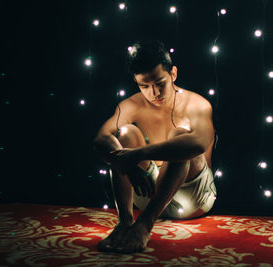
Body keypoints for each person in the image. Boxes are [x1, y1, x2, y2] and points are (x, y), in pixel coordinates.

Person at [92, 39, 217, 254]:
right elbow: (100, 139)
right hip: (148, 190)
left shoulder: (197, 104)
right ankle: (125, 222)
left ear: (173, 74)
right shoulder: (130, 105)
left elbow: (198, 144)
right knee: (126, 134)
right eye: (144, 86)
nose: (154, 92)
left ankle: (145, 225)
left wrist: (135, 155)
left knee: (180, 137)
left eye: (160, 83)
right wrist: (130, 166)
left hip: (193, 196)